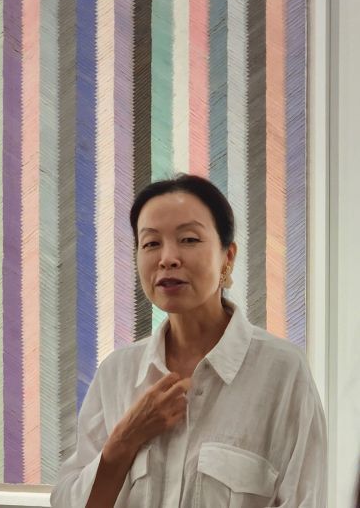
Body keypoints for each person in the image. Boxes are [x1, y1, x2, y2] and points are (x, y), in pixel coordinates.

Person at [51, 174, 327, 508]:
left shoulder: (282, 371)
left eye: (189, 239)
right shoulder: (117, 372)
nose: (167, 257)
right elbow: (68, 501)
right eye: (151, 243)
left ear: (227, 257)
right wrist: (124, 441)